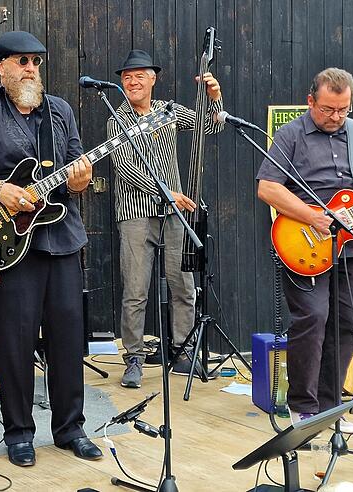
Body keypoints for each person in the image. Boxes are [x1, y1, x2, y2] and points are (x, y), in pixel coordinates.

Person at [0, 30, 101, 466]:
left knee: (68, 341)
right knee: (14, 343)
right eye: (23, 61)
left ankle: (71, 428)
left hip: (62, 240)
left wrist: (80, 179)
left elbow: (76, 167)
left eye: (37, 62)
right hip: (6, 248)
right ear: (2, 66)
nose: (32, 69)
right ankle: (19, 433)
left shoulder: (60, 111)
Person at [257, 68, 353, 432]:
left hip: (351, 248)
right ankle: (302, 407)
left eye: (343, 110)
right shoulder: (290, 135)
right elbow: (268, 188)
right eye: (328, 109)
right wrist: (313, 217)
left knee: (346, 324)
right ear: (311, 100)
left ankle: (330, 409)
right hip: (304, 243)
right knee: (312, 319)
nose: (336, 117)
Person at [107, 49, 224, 388]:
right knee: (135, 290)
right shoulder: (118, 119)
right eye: (127, 77)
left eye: (139, 75)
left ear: (152, 79)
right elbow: (125, 168)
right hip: (135, 214)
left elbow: (207, 127)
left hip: (174, 214)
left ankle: (183, 352)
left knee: (183, 285)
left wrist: (214, 97)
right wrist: (167, 192)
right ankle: (134, 359)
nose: (132, 81)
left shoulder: (169, 111)